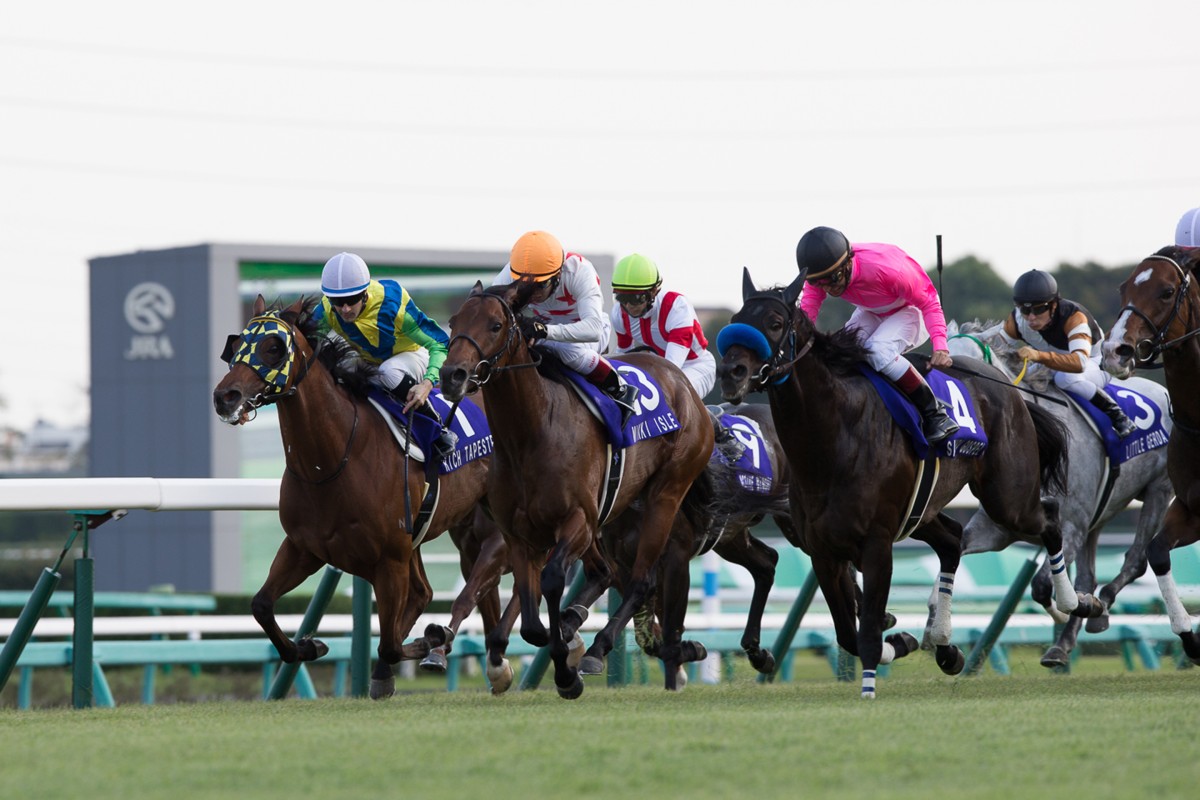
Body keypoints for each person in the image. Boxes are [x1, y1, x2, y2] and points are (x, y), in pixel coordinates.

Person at [796, 226, 960, 444]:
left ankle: (935, 413)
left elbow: (928, 302)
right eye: (819, 283)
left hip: (914, 309)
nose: (828, 289)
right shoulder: (822, 273)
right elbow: (808, 309)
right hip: (873, 310)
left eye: (833, 279)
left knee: (877, 350)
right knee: (838, 352)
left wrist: (940, 346)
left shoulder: (887, 269)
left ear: (847, 263)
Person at [313, 251, 458, 459]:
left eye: (352, 299)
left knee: (388, 372)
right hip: (369, 361)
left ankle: (439, 430)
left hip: (412, 357)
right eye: (338, 300)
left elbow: (440, 343)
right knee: (333, 367)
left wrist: (427, 383)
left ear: (364, 293)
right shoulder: (327, 310)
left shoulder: (393, 303)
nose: (344, 309)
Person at [493, 230, 640, 424]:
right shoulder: (512, 272)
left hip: (585, 333)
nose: (532, 292)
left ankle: (620, 388)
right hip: (542, 330)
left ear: (558, 274)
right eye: (525, 285)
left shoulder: (580, 271)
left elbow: (593, 329)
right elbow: (489, 310)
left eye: (540, 285)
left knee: (567, 350)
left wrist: (545, 331)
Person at [999, 269, 1136, 438]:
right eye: (1025, 310)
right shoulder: (1018, 320)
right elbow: (993, 345)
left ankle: (1118, 416)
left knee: (1065, 378)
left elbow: (1079, 364)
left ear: (1054, 304)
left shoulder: (1074, 317)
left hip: (1095, 363)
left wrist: (1039, 356)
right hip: (1052, 364)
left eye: (1039, 309)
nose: (1031, 318)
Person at [609, 253, 716, 399]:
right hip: (657, 368)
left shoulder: (676, 307)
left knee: (671, 394)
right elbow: (622, 356)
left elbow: (671, 369)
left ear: (653, 291)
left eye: (635, 298)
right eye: (622, 297)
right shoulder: (618, 314)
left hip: (695, 366)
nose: (628, 306)